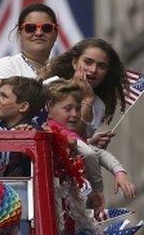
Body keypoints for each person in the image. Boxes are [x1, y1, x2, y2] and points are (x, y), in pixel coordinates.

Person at [45, 79, 135, 215]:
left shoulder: (70, 132)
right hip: (56, 198)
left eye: (78, 108)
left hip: (70, 197)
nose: (75, 114)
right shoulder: (53, 131)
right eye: (67, 109)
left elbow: (96, 152)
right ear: (49, 108)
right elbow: (89, 153)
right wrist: (97, 190)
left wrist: (119, 172)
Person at [43, 38, 128, 145]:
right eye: (88, 62)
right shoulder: (50, 86)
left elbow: (78, 141)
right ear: (74, 62)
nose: (93, 70)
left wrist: (92, 143)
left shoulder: (98, 106)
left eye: (101, 66)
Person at [0, 76, 47, 176]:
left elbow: (37, 173)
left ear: (23, 106)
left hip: (20, 191)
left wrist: (26, 149)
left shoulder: (35, 134)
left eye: (4, 96)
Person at [0, 3, 60, 84]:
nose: (39, 33)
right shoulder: (6, 67)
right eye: (30, 28)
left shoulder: (66, 70)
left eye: (46, 28)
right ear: (19, 32)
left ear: (56, 34)